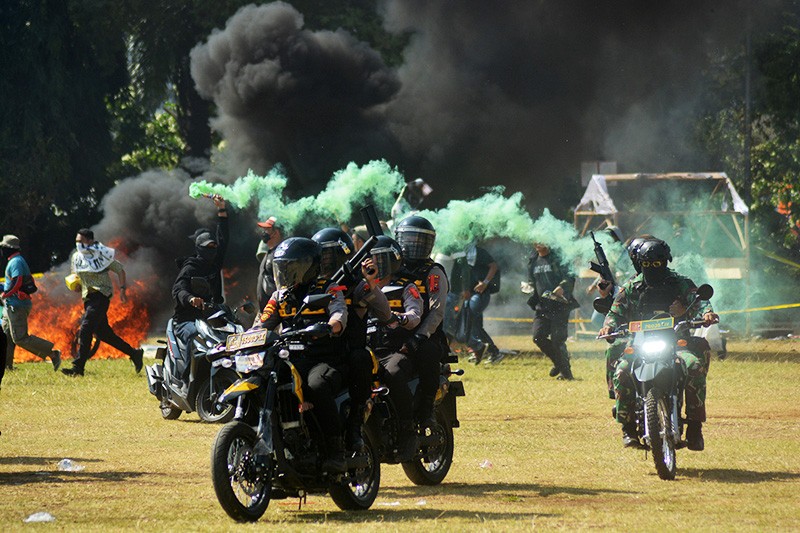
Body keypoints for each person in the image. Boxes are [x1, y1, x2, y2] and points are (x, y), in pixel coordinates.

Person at [599, 239, 718, 450]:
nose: (652, 268)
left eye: (657, 263)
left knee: (694, 367)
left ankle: (695, 427)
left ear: (665, 262)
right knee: (622, 371)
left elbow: (698, 300)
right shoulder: (632, 286)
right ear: (640, 264)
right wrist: (608, 327)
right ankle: (627, 428)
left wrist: (705, 313)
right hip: (640, 344)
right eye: (647, 264)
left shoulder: (680, 283)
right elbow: (615, 312)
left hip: (677, 342)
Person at [254, 237, 349, 471]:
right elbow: (261, 325)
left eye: (291, 267)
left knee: (316, 386)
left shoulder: (328, 288)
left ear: (310, 267)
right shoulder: (279, 297)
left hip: (322, 359)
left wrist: (329, 327)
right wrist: (240, 340)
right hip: (289, 359)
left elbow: (339, 314)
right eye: (282, 267)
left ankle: (336, 450)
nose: (285, 273)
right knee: (261, 380)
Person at [391, 215, 450, 431]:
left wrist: (418, 337)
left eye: (419, 240)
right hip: (394, 331)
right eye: (408, 239)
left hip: (426, 334)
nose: (413, 245)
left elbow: (437, 312)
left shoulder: (433, 272)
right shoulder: (392, 269)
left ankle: (426, 410)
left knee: (428, 353)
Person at [61, 229, 143, 376]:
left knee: (85, 328)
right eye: (77, 241)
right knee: (104, 334)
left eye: (81, 241)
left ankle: (78, 367)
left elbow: (120, 270)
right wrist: (76, 285)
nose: (78, 244)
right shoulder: (76, 257)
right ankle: (134, 353)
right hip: (88, 298)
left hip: (101, 295)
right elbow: (75, 275)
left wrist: (123, 290)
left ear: (90, 241)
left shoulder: (101, 255)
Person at [170, 195, 229, 381]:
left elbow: (223, 238)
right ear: (199, 248)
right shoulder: (190, 267)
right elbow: (178, 289)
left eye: (213, 246)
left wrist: (221, 210)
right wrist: (190, 299)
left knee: (233, 332)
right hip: (186, 319)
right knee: (196, 336)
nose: (212, 249)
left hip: (211, 316)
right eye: (207, 247)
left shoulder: (215, 263)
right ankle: (188, 377)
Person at [0, 235, 61, 370]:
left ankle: (52, 354)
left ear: (9, 248)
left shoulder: (16, 262)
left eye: (3, 247)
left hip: (17, 306)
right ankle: (7, 366)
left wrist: (4, 294)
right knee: (6, 336)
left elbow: (17, 281)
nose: (2, 250)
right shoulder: (15, 261)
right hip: (10, 305)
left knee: (20, 338)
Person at [527, 242, 578, 380]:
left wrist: (562, 287)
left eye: (541, 240)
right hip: (542, 307)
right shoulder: (533, 260)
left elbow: (570, 276)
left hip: (560, 306)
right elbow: (532, 280)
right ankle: (559, 362)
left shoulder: (558, 258)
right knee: (538, 337)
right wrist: (529, 287)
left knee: (557, 340)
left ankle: (567, 375)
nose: (538, 243)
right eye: (536, 241)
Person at [462, 242, 501, 364]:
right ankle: (490, 351)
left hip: (479, 293)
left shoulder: (478, 252)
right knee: (475, 325)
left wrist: (485, 283)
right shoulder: (459, 253)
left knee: (470, 321)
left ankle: (483, 349)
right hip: (468, 294)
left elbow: (493, 266)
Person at [255, 216, 284, 311]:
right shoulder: (269, 253)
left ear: (276, 232)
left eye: (267, 229)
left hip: (275, 311)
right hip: (265, 312)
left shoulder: (280, 255)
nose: (264, 232)